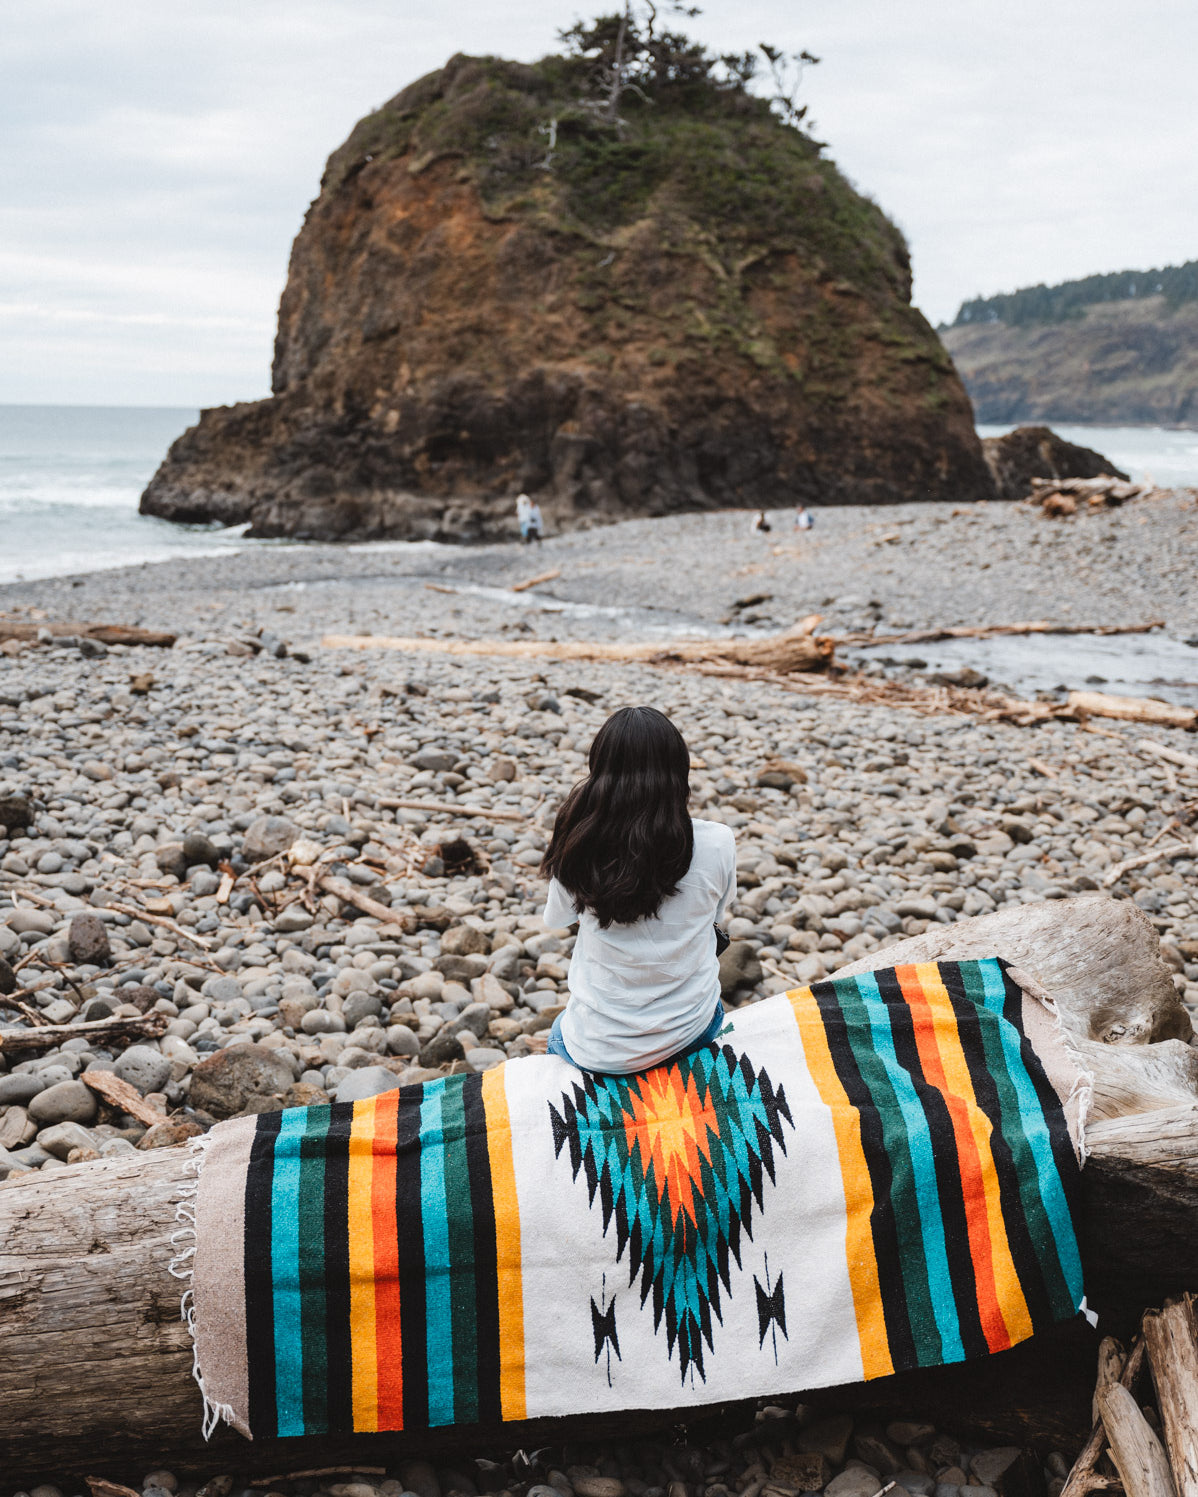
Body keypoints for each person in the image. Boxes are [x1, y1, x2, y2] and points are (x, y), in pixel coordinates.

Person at [540, 705, 736, 1074]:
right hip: (689, 1034)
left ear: (600, 770)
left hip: (595, 1048)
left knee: (559, 1032)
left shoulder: (580, 843)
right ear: (679, 771)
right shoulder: (718, 842)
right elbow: (716, 917)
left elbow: (557, 919)